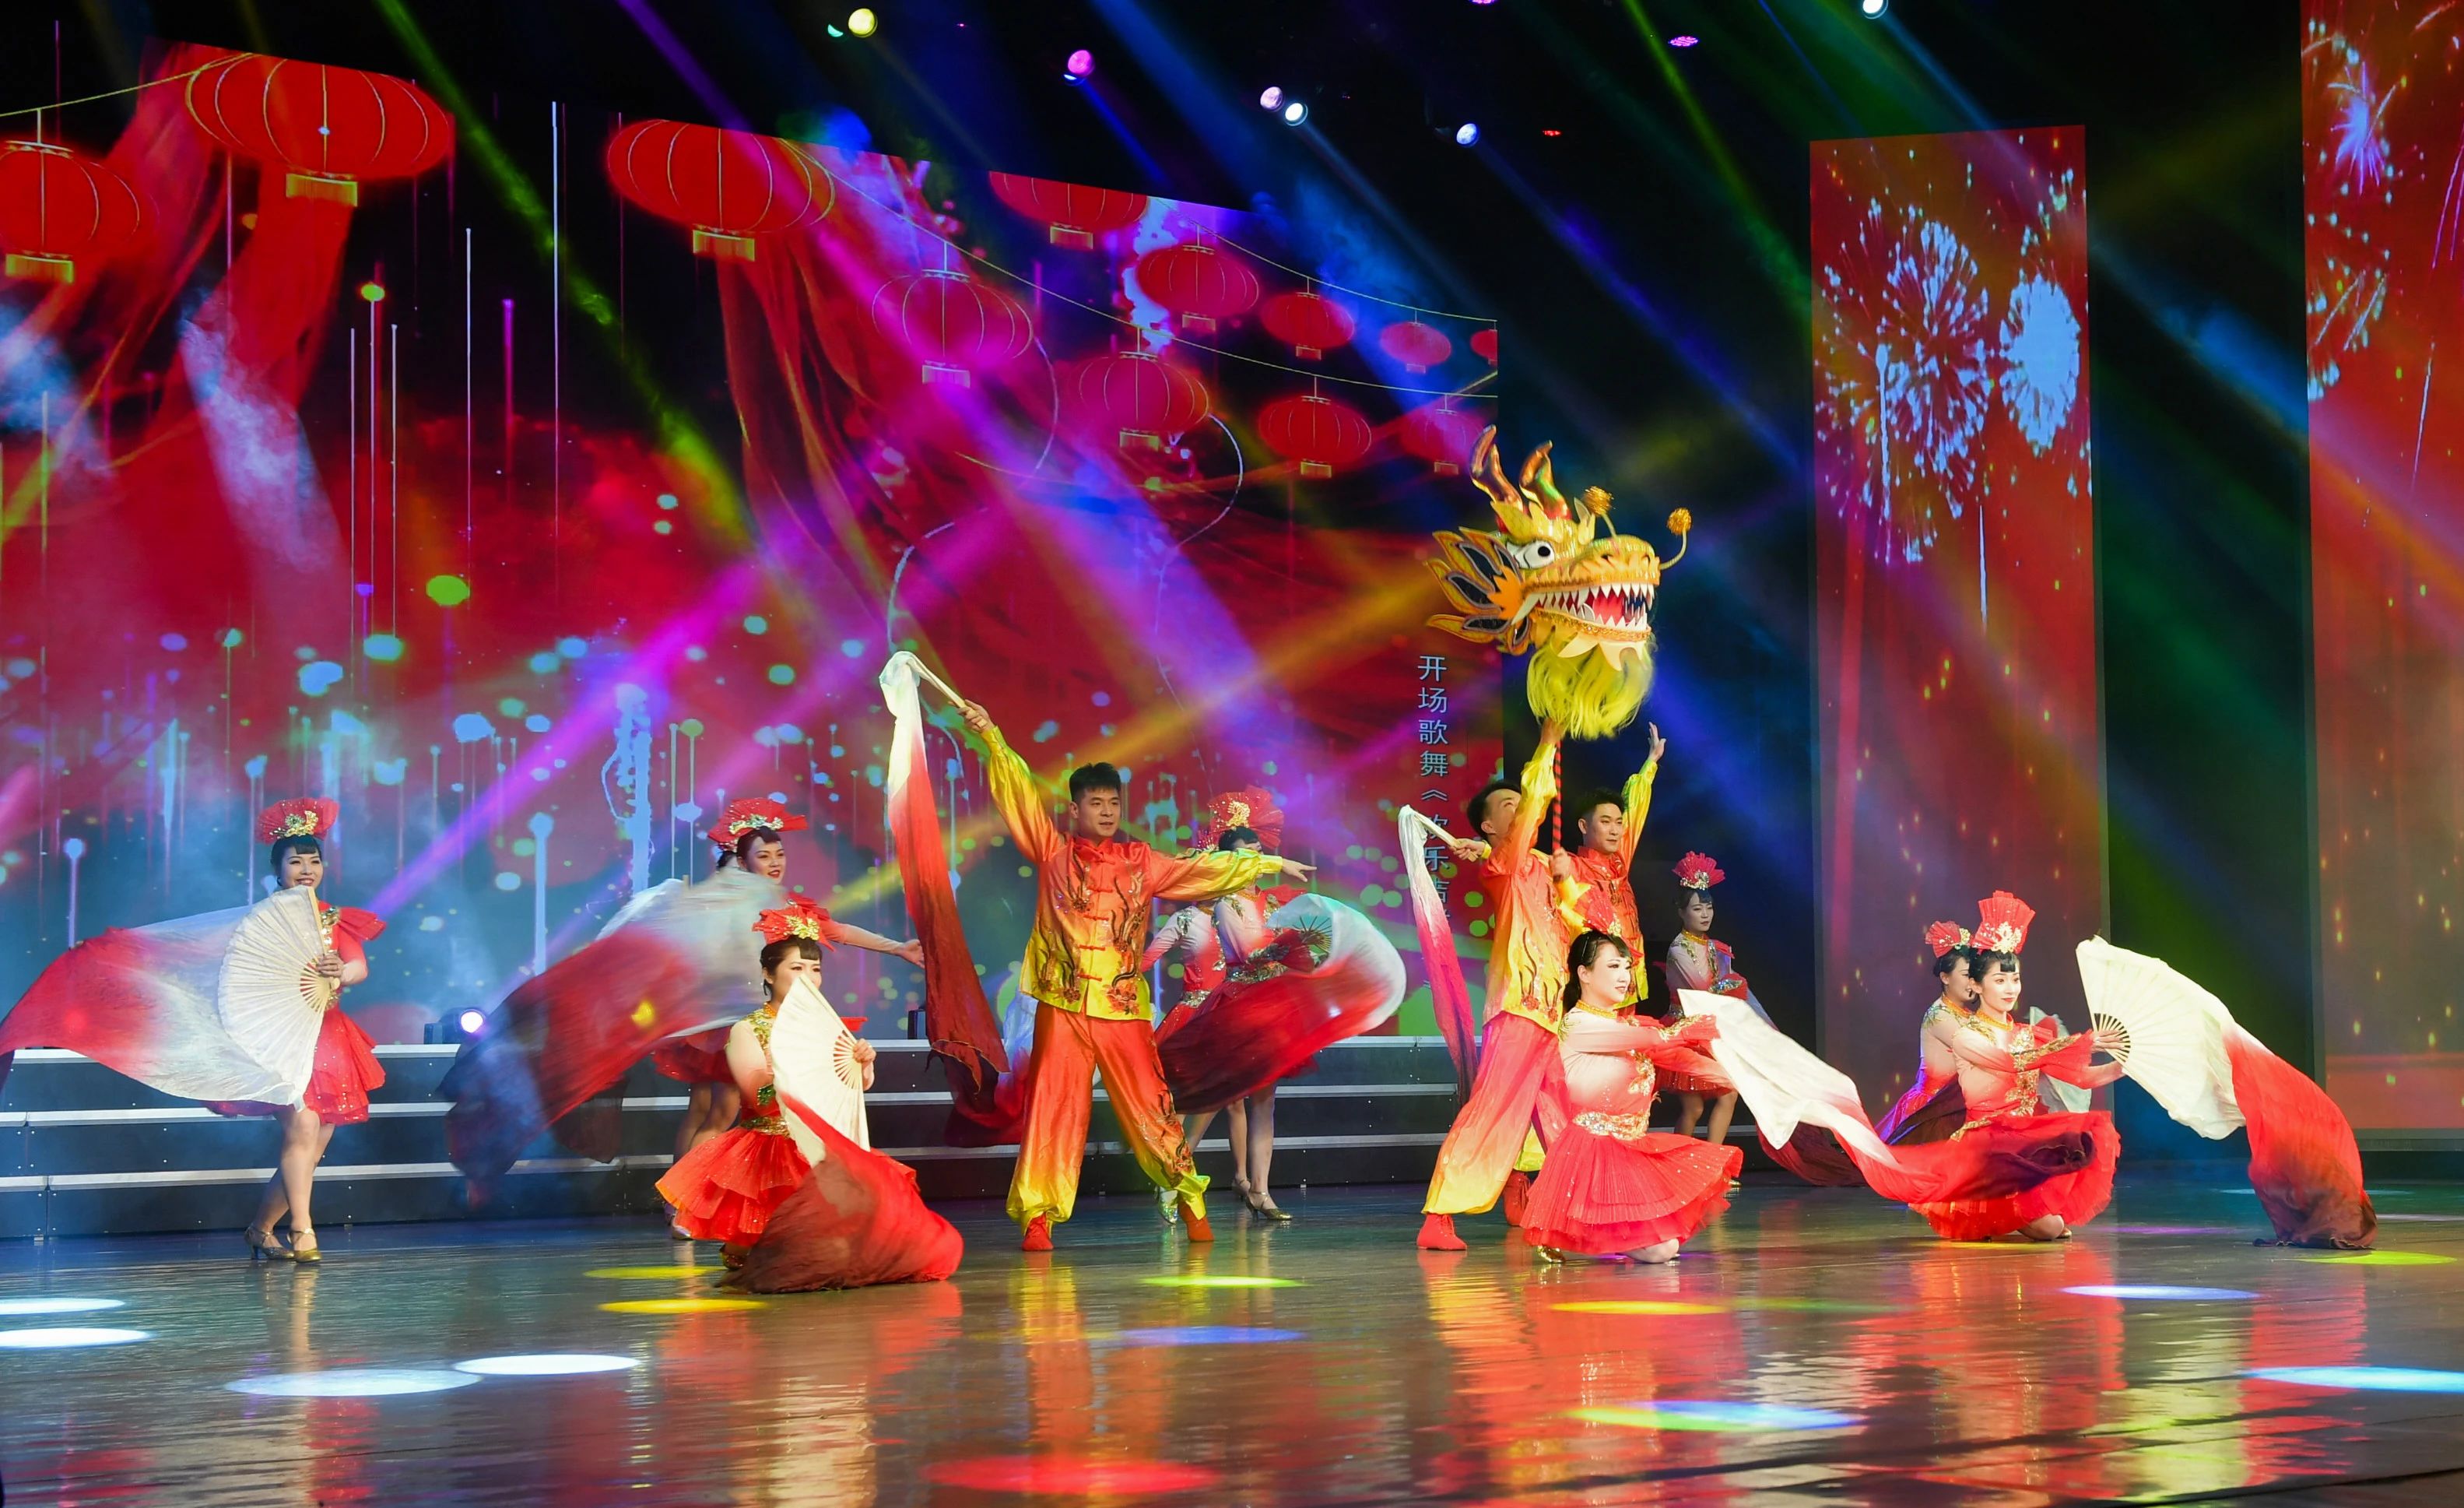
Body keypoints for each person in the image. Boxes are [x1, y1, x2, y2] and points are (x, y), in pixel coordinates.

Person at [958, 701, 1313, 1251]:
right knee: (1053, 1108)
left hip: (1121, 1007)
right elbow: (1020, 795)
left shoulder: (1141, 861)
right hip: (1064, 1004)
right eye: (1095, 802)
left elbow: (1198, 869)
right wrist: (992, 737)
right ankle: (1039, 1216)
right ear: (1075, 807)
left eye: (1113, 802)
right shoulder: (1053, 852)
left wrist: (1266, 863)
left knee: (1151, 1105)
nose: (1106, 811)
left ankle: (1189, 1196)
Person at [657, 898, 961, 1286]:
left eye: (815, 969)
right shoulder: (748, 1029)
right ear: (768, 975)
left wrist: (862, 1065)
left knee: (863, 1248)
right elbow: (758, 1094)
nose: (808, 977)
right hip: (771, 1146)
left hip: (823, 1145)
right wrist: (803, 1070)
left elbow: (852, 1087)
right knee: (777, 1258)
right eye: (796, 968)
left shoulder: (830, 1025)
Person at [655, 798, 921, 1233]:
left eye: (779, 854)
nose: (775, 863)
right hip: (729, 1016)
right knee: (714, 1108)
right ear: (741, 860)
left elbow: (839, 932)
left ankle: (695, 1204)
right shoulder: (723, 905)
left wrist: (896, 948)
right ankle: (684, 1205)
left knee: (718, 1109)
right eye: (763, 856)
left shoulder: (791, 908)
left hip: (768, 1016)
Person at [1416, 720, 1577, 1251]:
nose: (1518, 808)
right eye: (1507, 806)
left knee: (1559, 1115)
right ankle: (1439, 1215)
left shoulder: (1540, 866)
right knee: (1491, 1107)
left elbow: (1578, 926)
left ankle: (1575, 1208)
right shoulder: (1503, 864)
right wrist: (1546, 746)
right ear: (1488, 826)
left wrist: (1566, 883)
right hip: (1517, 1005)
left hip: (1550, 1008)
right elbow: (1531, 815)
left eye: (1518, 802)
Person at [212, 800, 387, 1264]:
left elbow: (358, 966)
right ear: (277, 870)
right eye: (295, 862)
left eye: (314, 861)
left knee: (311, 1146)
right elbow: (240, 979)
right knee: (303, 1129)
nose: (306, 870)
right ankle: (302, 1230)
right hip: (281, 1038)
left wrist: (341, 972)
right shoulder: (261, 921)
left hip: (327, 1036)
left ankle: (259, 1229)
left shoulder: (333, 917)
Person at [1521, 930, 1741, 1263]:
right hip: (1596, 1152)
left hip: (1632, 1149)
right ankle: (1576, 1230)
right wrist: (1681, 1030)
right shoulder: (1578, 1025)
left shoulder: (1630, 1026)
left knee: (1666, 1246)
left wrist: (1738, 1077)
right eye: (1613, 967)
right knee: (1662, 1250)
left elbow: (1675, 1056)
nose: (1625, 977)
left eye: (1627, 967)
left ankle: (1583, 1233)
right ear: (1584, 974)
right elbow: (1653, 1040)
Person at [1146, 790, 1308, 1220]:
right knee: (1212, 1100)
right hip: (1238, 1006)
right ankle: (1173, 1180)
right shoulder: (1225, 902)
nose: (1254, 856)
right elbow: (1250, 955)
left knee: (1264, 1101)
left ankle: (1261, 1191)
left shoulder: (1272, 901)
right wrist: (1288, 948)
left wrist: (1305, 947)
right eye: (1244, 853)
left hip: (1271, 1005)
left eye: (1257, 849)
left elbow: (1280, 949)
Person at [1658, 852, 1749, 1154]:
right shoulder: (1679, 949)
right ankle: (1678, 1161)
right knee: (1694, 1107)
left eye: (1708, 907)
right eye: (1697, 908)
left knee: (1729, 1093)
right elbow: (1702, 989)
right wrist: (1732, 984)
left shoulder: (1714, 947)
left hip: (1709, 1030)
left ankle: (1712, 1160)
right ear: (1682, 912)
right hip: (1686, 1033)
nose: (1705, 914)